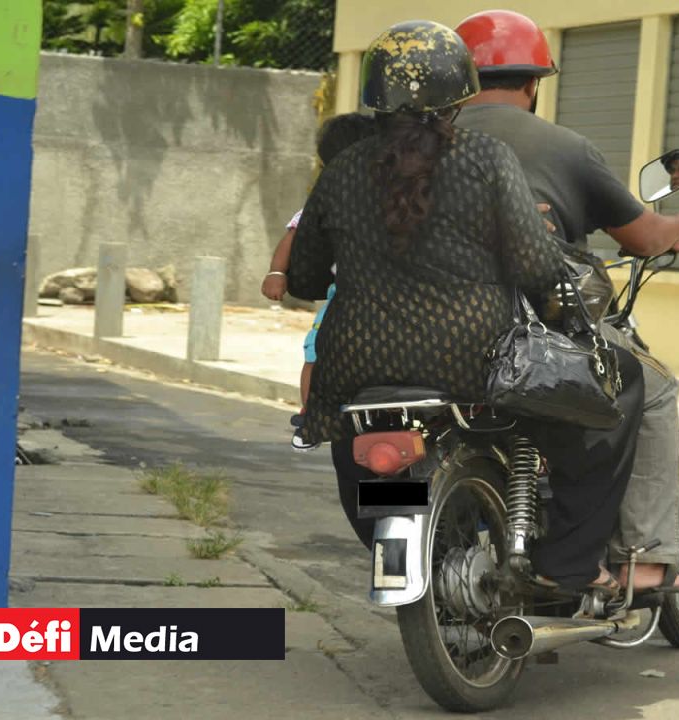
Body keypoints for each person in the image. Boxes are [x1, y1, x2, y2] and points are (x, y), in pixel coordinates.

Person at [286, 20, 645, 593]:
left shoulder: (345, 169)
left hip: (354, 369)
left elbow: (303, 276)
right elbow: (534, 265)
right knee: (619, 382)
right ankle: (570, 564)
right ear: (459, 91)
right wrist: (565, 296)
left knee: (355, 443)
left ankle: (404, 540)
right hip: (473, 358)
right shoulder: (486, 158)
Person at [455, 9, 679, 594]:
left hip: (429, 328)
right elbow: (642, 236)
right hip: (532, 330)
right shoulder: (564, 146)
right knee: (653, 388)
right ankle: (641, 557)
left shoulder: (420, 147)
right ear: (534, 82)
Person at [256, 114, 377, 443]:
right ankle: (311, 411)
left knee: (316, 352)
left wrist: (280, 272)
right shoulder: (412, 194)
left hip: (353, 300)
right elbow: (296, 230)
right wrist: (276, 271)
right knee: (315, 351)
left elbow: (299, 237)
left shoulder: (333, 198)